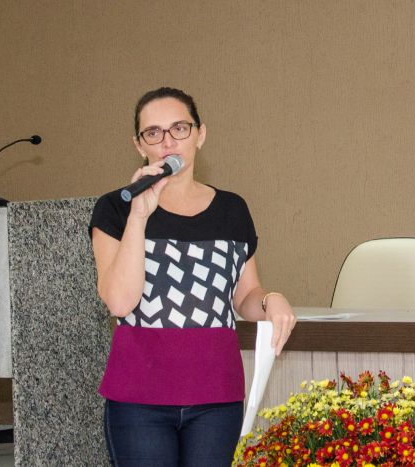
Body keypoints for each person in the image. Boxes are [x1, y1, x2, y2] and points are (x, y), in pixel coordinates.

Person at [89, 87, 296, 466]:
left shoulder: (232, 209)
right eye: (154, 133)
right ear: (139, 145)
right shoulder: (117, 208)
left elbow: (245, 295)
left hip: (216, 396)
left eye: (179, 128)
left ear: (200, 134)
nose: (168, 142)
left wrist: (271, 300)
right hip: (139, 400)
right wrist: (139, 217)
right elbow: (119, 301)